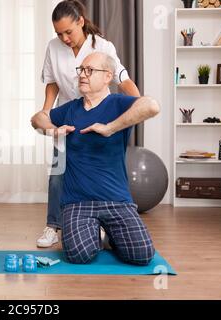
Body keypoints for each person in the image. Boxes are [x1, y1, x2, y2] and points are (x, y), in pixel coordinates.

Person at [31, 52, 159, 265]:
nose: (82, 75)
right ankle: (95, 232)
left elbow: (152, 106)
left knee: (142, 255)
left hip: (116, 200)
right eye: (80, 70)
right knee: (79, 254)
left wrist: (110, 128)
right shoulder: (71, 108)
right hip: (77, 202)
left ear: (108, 76)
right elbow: (37, 118)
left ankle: (108, 233)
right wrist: (53, 130)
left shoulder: (118, 103)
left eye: (89, 70)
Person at [37, 0, 141, 248]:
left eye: (68, 32)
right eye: (59, 33)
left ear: (80, 22)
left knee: (103, 171)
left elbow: (121, 78)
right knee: (58, 174)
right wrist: (46, 113)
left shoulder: (103, 46)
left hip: (98, 113)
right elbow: (51, 82)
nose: (64, 38)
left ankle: (105, 223)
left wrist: (138, 104)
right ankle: (53, 225)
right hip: (69, 115)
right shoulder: (53, 47)